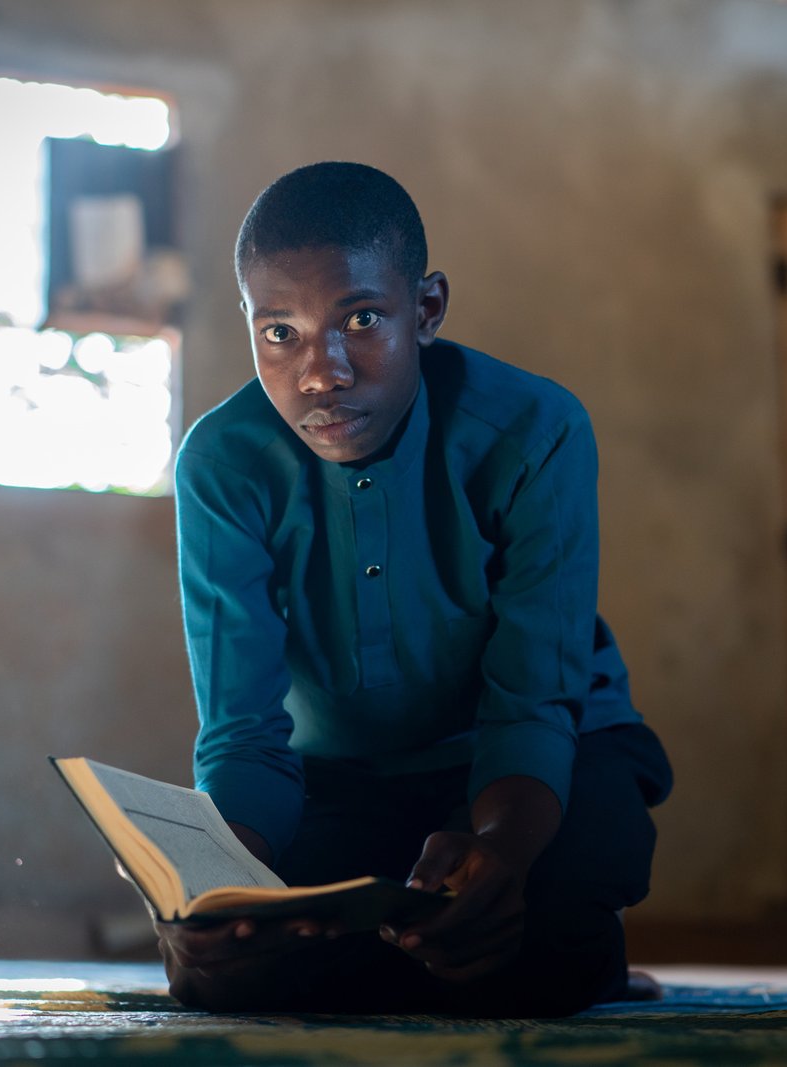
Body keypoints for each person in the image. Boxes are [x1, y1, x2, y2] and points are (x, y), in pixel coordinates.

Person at [161, 161, 671, 1017]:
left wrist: (498, 855)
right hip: (346, 779)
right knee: (232, 970)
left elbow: (534, 705)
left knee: (539, 935)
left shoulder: (535, 431)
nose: (320, 372)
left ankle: (569, 948)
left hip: (537, 762)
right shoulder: (222, 463)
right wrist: (219, 893)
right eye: (279, 332)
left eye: (359, 319)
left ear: (427, 309)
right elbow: (244, 736)